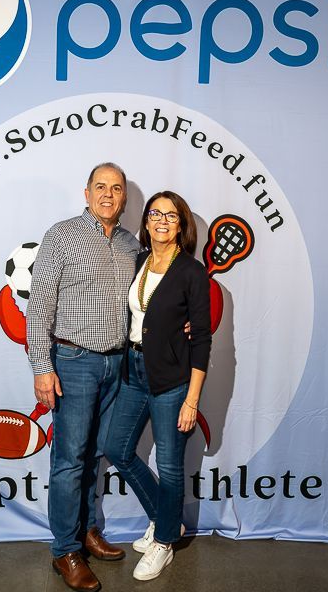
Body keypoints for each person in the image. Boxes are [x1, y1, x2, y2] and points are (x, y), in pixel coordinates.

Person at [26, 163, 139, 592]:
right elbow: (39, 308)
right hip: (74, 362)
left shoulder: (131, 244)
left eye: (117, 188)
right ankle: (64, 550)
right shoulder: (62, 235)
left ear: (125, 196)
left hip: (118, 364)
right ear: (87, 192)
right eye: (101, 187)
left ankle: (89, 531)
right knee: (70, 459)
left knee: (95, 454)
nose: (109, 195)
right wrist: (42, 366)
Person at [104, 191, 211, 581]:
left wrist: (192, 400)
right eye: (155, 213)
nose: (161, 220)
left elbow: (202, 339)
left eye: (170, 215)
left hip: (172, 381)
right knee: (116, 448)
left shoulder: (192, 272)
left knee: (168, 465)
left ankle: (165, 541)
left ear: (181, 225)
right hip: (133, 370)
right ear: (146, 222)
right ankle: (164, 519)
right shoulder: (139, 261)